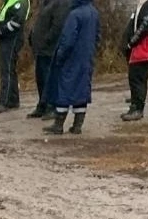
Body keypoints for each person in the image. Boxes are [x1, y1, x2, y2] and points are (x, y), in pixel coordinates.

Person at [44, 0, 101, 134]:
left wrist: (60, 55)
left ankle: (58, 125)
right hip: (86, 58)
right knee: (82, 89)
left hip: (72, 58)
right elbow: (98, 35)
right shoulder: (94, 12)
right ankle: (77, 125)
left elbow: (68, 39)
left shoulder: (74, 15)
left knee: (65, 88)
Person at [28, 0, 73, 118]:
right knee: (41, 79)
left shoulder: (60, 3)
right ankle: (42, 105)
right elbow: (40, 21)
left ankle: (52, 107)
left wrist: (46, 40)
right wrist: (32, 36)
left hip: (50, 49)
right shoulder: (45, 3)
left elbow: (58, 26)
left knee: (49, 78)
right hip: (40, 49)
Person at [0, 0, 32, 114]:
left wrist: (1, 30)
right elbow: (1, 15)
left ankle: (4, 102)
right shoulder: (9, 1)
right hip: (6, 39)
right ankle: (13, 100)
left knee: (7, 70)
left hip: (12, 38)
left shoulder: (21, 2)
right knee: (9, 69)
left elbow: (17, 21)